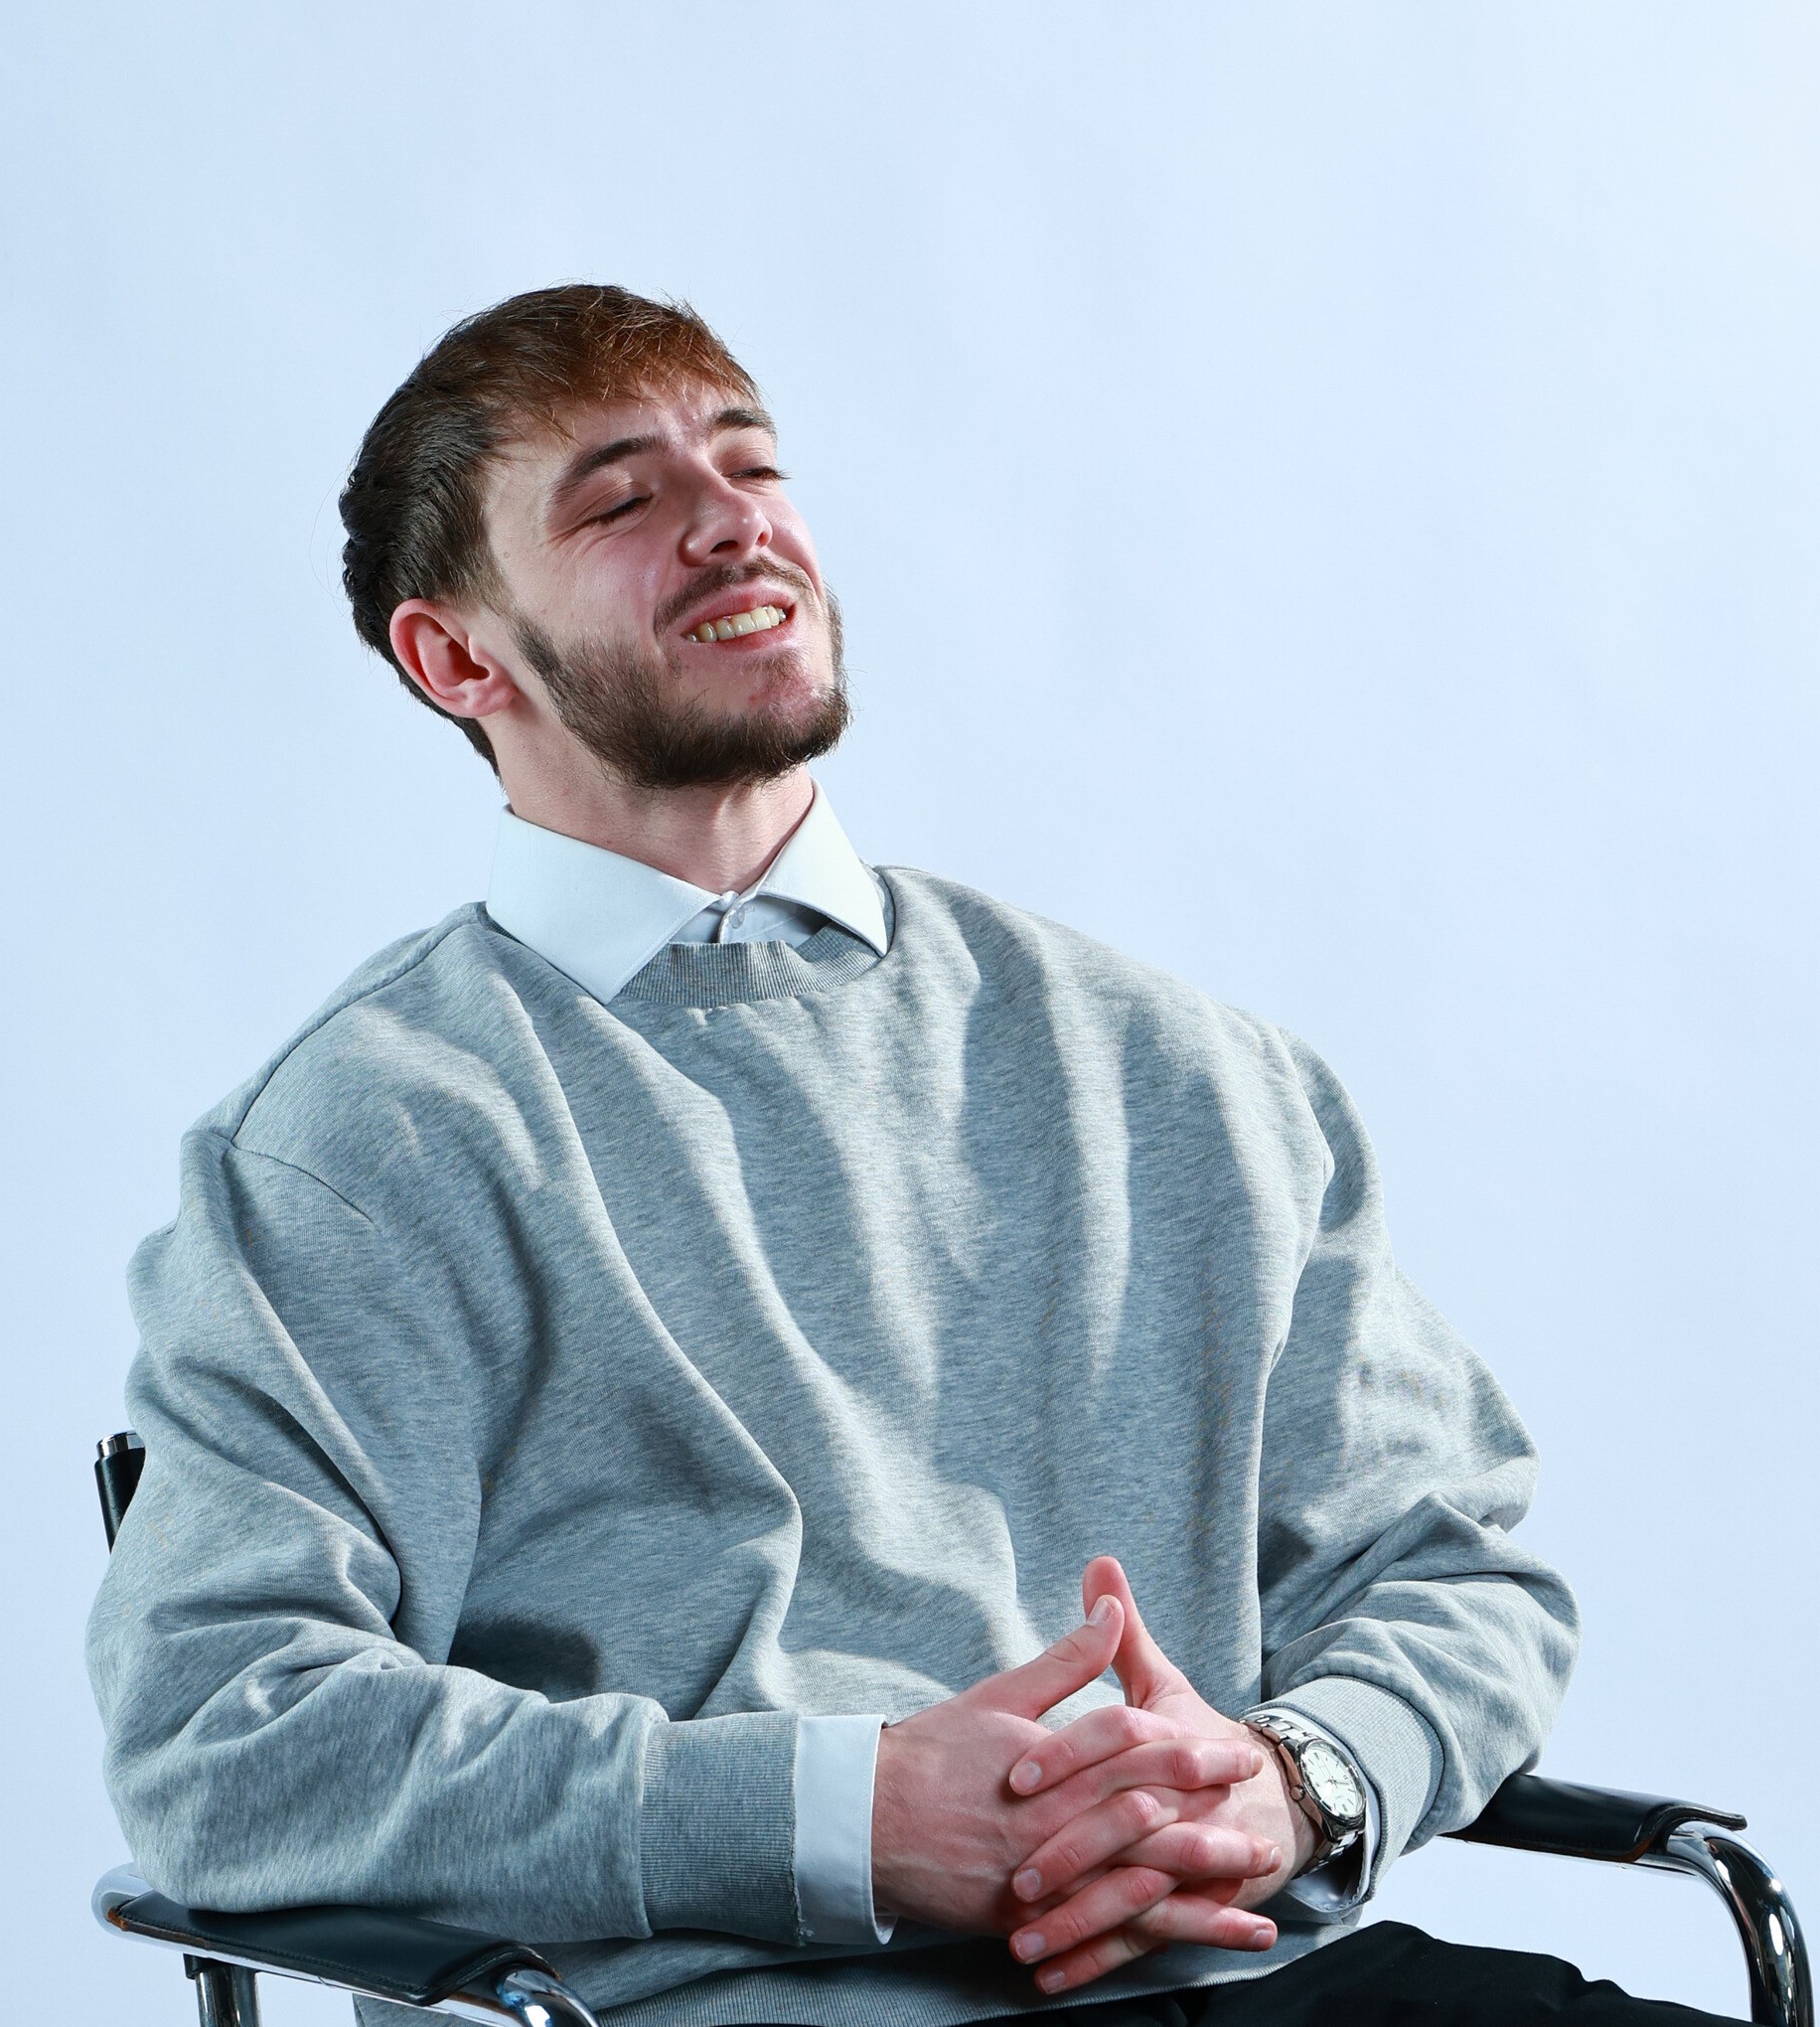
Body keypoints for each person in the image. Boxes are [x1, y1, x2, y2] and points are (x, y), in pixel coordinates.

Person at [86, 285, 1726, 2026]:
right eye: (621, 499)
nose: (732, 518)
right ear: (457, 659)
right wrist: (839, 1821)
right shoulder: (367, 1142)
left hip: (1254, 1979)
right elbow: (224, 1730)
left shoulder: (1173, 1069)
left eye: (751, 462)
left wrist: (1291, 1780)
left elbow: (1449, 1567)